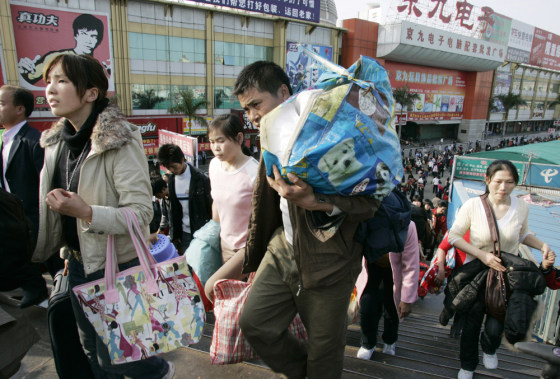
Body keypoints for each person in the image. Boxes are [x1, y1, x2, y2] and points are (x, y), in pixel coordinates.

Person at [235, 61, 380, 378]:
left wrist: (318, 202)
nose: (252, 116)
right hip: (283, 250)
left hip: (330, 263)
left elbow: (369, 203)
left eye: (256, 105)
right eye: (246, 110)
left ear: (284, 92)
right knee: (253, 323)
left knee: (324, 355)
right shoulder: (271, 137)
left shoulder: (333, 132)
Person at [35, 54, 174, 378]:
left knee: (124, 356)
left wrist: (85, 212)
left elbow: (142, 213)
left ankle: (160, 372)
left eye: (61, 81)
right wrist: (66, 249)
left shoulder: (120, 140)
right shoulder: (56, 144)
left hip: (119, 267)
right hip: (78, 264)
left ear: (91, 92)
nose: (50, 90)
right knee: (93, 354)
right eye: (48, 82)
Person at [448, 160, 554, 379]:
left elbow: (523, 234)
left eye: (510, 182)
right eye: (498, 181)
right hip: (478, 273)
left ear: (516, 183)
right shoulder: (473, 206)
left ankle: (490, 347)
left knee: (496, 325)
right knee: (471, 324)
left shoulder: (521, 206)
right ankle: (467, 365)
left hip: (507, 275)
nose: (503, 187)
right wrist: (482, 255)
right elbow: (454, 236)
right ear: (487, 180)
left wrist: (542, 245)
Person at [0, 85, 58, 307]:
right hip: (14, 225)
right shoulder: (4, 140)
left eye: (2, 103)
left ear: (19, 109)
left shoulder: (35, 142)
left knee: (58, 275)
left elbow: (49, 186)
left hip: (38, 224)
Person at [203, 114, 258, 301]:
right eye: (211, 141)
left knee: (213, 290)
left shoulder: (254, 172)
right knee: (235, 301)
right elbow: (216, 204)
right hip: (224, 244)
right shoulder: (213, 166)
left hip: (248, 248)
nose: (215, 147)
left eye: (221, 140)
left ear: (240, 139)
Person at [357, 221, 419, 360]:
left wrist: (407, 298)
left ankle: (390, 341)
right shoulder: (369, 217)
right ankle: (368, 343)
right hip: (370, 269)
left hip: (395, 275)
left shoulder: (408, 225)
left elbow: (411, 264)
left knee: (392, 310)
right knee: (367, 307)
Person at [18, 14, 109, 86]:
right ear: (76, 35)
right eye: (84, 34)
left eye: (93, 36)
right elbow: (31, 76)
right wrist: (23, 70)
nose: (88, 40)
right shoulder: (57, 58)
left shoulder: (99, 67)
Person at [157, 143, 212, 253]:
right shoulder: (172, 180)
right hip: (184, 233)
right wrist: (175, 236)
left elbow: (210, 206)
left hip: (201, 232)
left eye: (174, 166)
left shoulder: (200, 178)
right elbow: (174, 210)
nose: (172, 170)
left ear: (182, 159)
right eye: (168, 168)